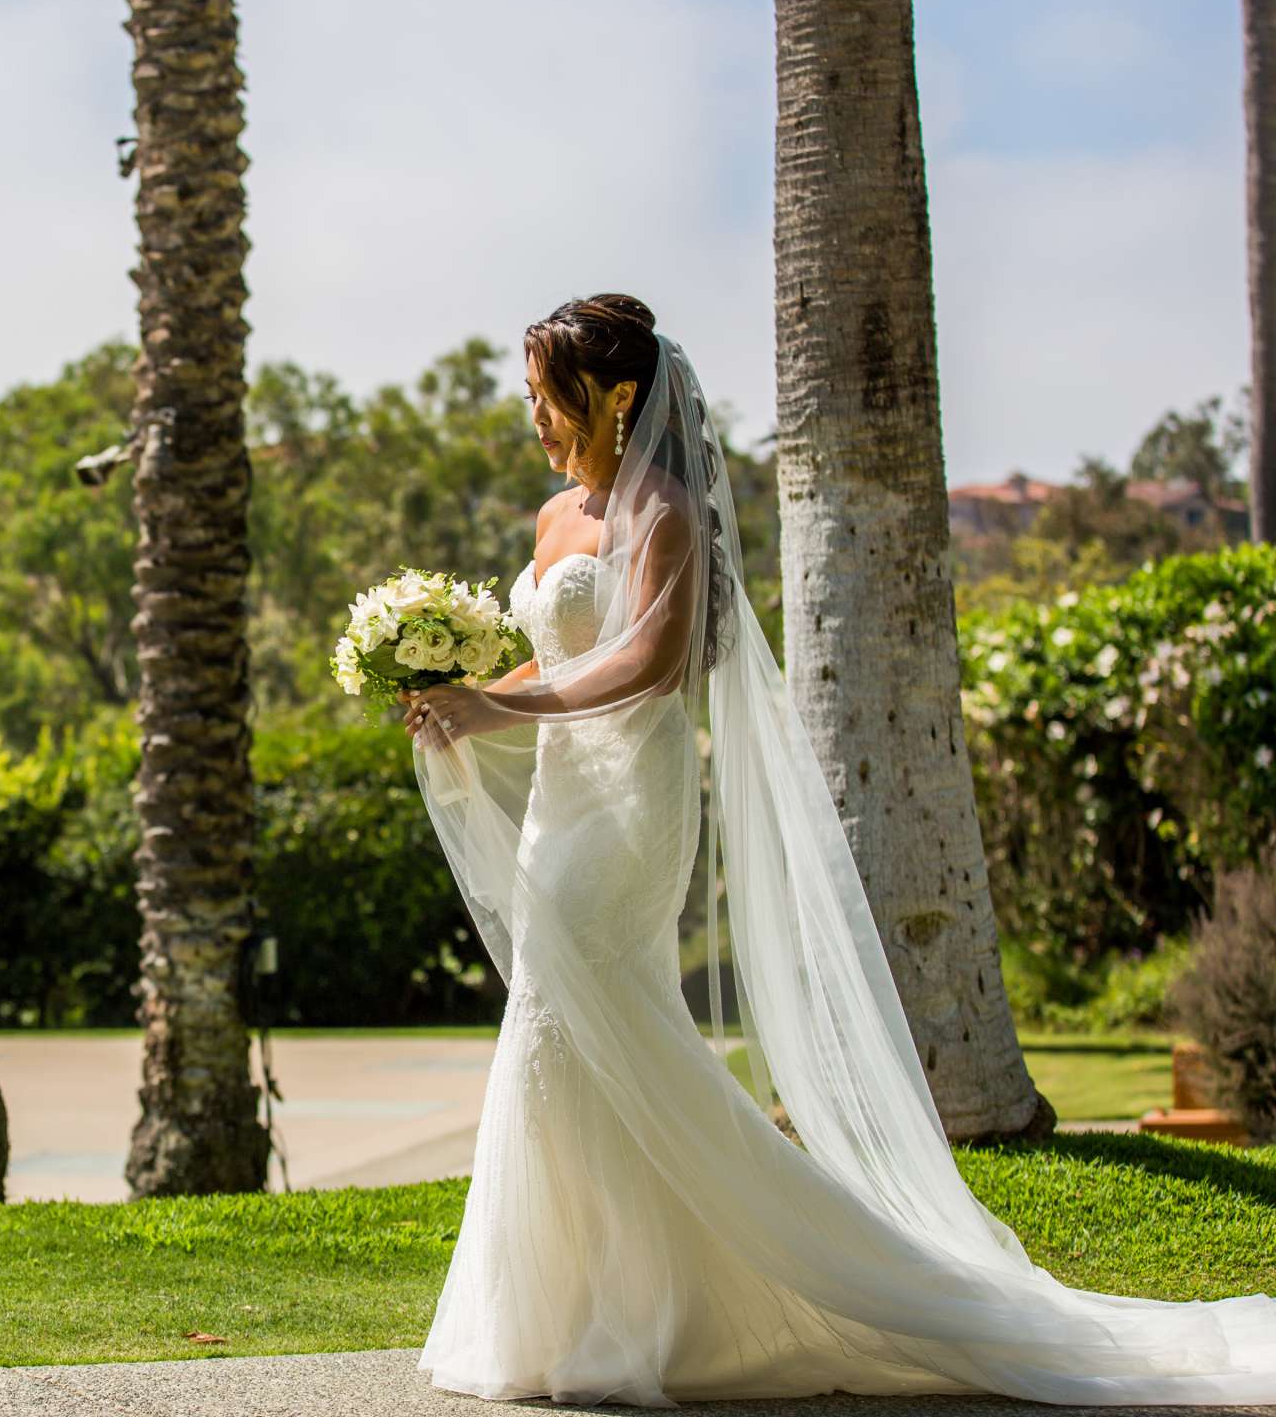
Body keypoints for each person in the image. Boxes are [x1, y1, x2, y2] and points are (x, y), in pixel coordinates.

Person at [395, 293, 1276, 1406]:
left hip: (630, 809)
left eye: (546, 392)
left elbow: (651, 666)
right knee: (560, 1034)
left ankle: (747, 1291)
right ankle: (584, 1314)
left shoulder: (663, 509)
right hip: (562, 807)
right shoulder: (552, 516)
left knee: (581, 1026)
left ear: (618, 396)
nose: (533, 413)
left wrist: (501, 712)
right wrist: (465, 696)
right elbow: (554, 658)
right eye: (527, 394)